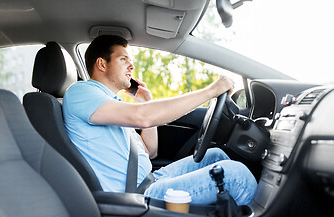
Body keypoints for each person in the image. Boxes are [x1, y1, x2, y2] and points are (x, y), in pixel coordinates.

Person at [62, 35, 257, 205]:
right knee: (236, 176)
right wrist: (210, 91)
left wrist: (146, 100)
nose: (132, 66)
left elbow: (150, 151)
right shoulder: (82, 92)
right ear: (102, 64)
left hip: (150, 179)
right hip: (135, 195)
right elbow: (143, 116)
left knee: (215, 156)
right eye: (123, 59)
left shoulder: (110, 103)